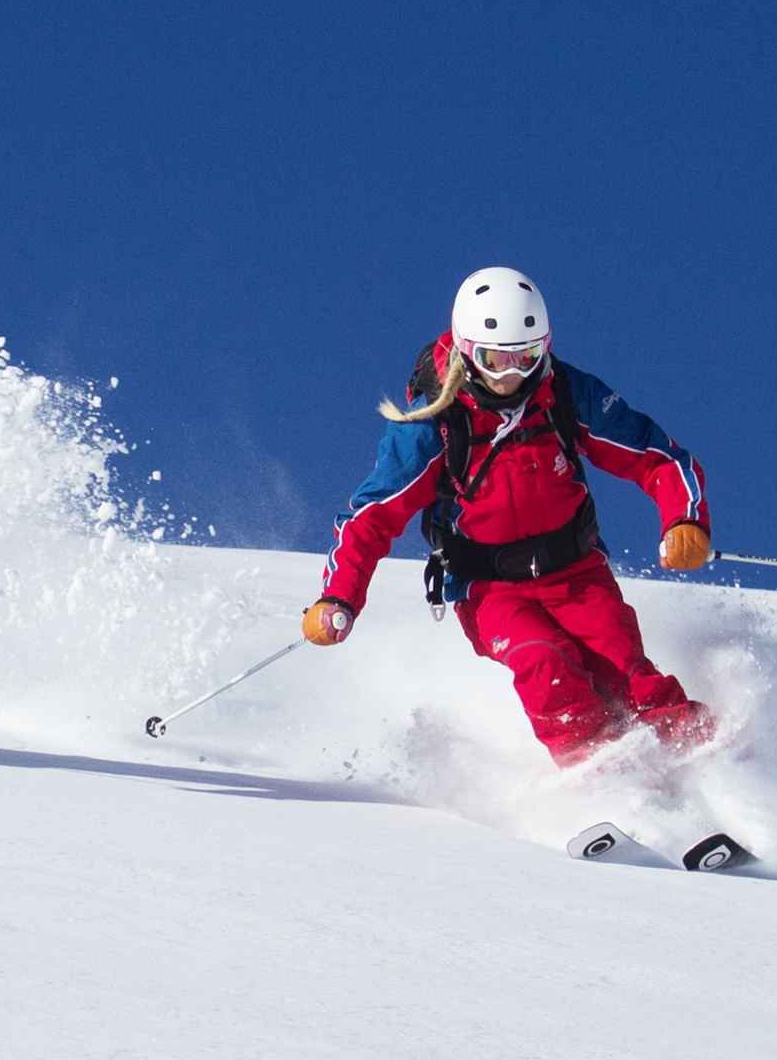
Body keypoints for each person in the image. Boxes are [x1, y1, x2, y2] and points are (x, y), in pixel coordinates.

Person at [301, 266, 717, 764]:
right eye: (495, 361)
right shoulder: (436, 419)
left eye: (526, 357)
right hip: (487, 586)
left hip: (576, 570)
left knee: (628, 674)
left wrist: (684, 520)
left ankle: (708, 764)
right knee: (544, 663)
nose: (512, 375)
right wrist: (339, 597)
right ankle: (601, 774)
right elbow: (373, 517)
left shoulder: (565, 393)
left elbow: (656, 456)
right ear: (465, 351)